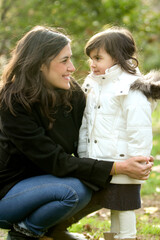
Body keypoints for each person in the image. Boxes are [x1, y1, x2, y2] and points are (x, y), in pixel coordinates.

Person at [0, 26, 153, 240]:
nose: (72, 68)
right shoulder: (13, 102)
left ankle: (54, 231)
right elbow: (56, 161)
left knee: (102, 180)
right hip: (8, 195)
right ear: (40, 63)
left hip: (50, 184)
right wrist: (118, 167)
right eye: (64, 61)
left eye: (70, 59)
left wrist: (130, 157)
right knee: (74, 190)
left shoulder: (71, 92)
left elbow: (98, 127)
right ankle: (25, 231)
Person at [78, 26, 157, 240]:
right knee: (114, 205)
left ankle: (128, 236)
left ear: (117, 58)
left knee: (125, 207)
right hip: (104, 161)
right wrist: (85, 156)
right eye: (90, 59)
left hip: (126, 162)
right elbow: (87, 124)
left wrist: (137, 161)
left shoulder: (130, 88)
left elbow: (139, 128)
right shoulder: (93, 85)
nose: (92, 64)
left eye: (98, 58)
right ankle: (113, 236)